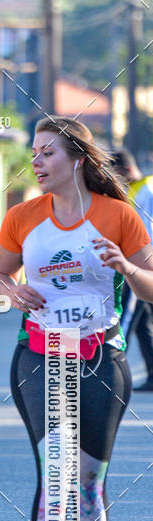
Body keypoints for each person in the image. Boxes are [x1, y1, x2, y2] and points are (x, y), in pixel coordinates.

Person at [0, 116, 153, 521]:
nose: (36, 162)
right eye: (34, 153)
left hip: (100, 357)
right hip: (40, 355)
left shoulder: (119, 216)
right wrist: (12, 293)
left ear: (77, 160)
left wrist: (126, 267)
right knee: (54, 475)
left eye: (47, 154)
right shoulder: (22, 217)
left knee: (86, 483)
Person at [111, 149, 153, 391]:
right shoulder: (139, 189)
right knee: (142, 323)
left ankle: (110, 371)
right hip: (140, 267)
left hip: (141, 268)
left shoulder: (145, 192)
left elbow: (145, 236)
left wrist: (134, 270)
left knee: (124, 320)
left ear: (125, 169)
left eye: (115, 174)